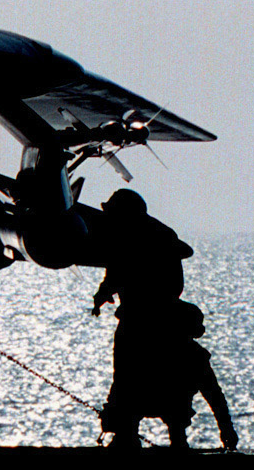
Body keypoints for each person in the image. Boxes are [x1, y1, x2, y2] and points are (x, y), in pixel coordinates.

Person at [92, 190, 239, 451]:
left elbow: (116, 273)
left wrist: (104, 293)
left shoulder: (128, 239)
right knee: (134, 382)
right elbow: (213, 393)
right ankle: (167, 438)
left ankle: (129, 435)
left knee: (127, 380)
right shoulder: (158, 236)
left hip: (136, 323)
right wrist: (226, 430)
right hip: (149, 318)